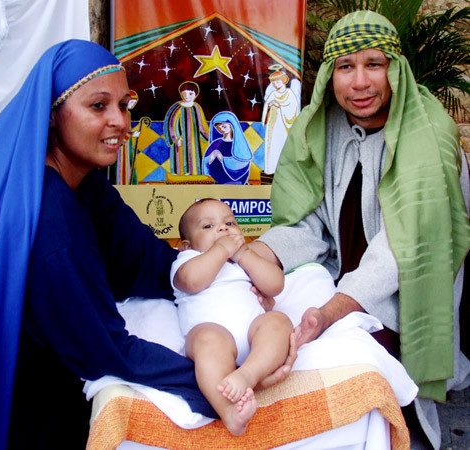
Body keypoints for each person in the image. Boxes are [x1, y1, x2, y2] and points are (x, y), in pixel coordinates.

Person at [0, 40, 224, 450]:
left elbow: (148, 260)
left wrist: (231, 276)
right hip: (30, 410)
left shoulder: (83, 179)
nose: (120, 122)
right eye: (97, 107)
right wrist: (226, 375)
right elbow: (105, 351)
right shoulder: (54, 226)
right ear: (53, 115)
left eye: (124, 105)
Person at [250, 10, 470, 448]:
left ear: (396, 70)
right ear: (330, 76)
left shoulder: (430, 139)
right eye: (345, 67)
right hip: (331, 280)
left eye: (374, 64)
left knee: (349, 371)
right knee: (267, 343)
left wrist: (330, 313)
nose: (360, 82)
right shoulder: (321, 129)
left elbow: (402, 249)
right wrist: (255, 258)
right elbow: (305, 221)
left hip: (398, 298)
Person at [172, 198, 294, 436]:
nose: (222, 228)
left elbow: (276, 284)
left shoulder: (241, 261)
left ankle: (249, 373)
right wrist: (221, 249)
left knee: (278, 321)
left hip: (254, 339)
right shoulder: (186, 261)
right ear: (185, 246)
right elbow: (192, 281)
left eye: (230, 223)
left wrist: (244, 255)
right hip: (215, 343)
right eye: (208, 226)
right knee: (207, 337)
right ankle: (229, 412)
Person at [164, 81, 209, 176]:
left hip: (194, 140)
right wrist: (175, 138)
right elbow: (170, 123)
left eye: (190, 93)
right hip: (181, 140)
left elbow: (202, 124)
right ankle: (180, 174)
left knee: (194, 156)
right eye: (183, 93)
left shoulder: (197, 107)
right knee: (180, 156)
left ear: (196, 94)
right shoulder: (176, 107)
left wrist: (208, 137)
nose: (186, 96)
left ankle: (194, 174)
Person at [261, 69, 300, 175]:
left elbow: (293, 110)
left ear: (283, 81)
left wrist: (280, 106)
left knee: (283, 145)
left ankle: (285, 171)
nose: (275, 84)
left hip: (284, 125)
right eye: (273, 82)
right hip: (272, 126)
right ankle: (271, 169)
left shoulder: (290, 93)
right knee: (272, 146)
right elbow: (266, 108)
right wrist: (270, 105)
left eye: (277, 81)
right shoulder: (273, 94)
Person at [202, 111, 253, 184]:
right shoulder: (216, 144)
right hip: (219, 179)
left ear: (231, 125)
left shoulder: (239, 143)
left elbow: (243, 163)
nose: (221, 129)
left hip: (239, 180)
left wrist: (222, 159)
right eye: (218, 128)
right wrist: (213, 156)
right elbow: (206, 163)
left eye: (223, 126)